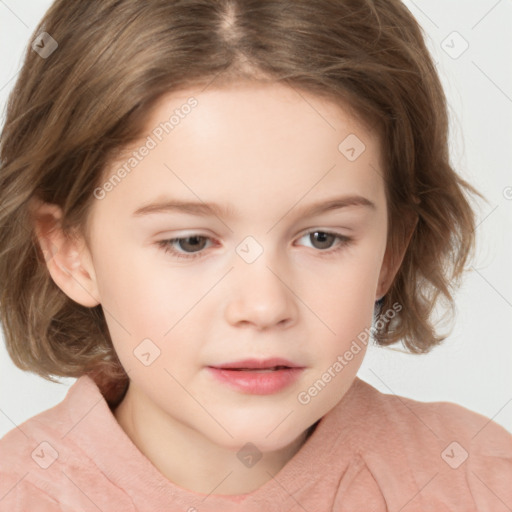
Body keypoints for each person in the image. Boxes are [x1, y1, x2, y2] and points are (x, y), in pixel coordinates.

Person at [0, 0, 510, 510]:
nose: (264, 307)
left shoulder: (480, 480)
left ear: (390, 250)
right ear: (70, 251)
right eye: (191, 242)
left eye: (322, 238)